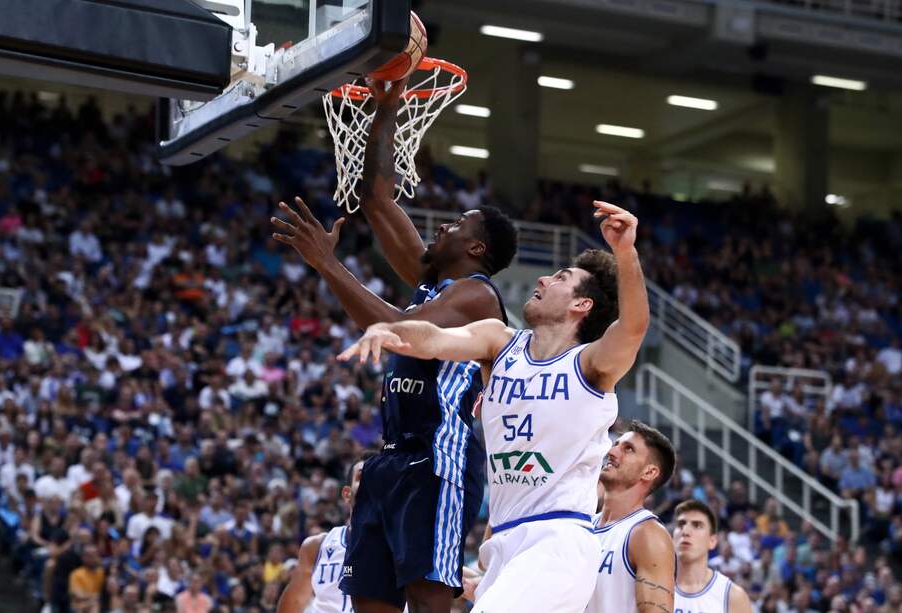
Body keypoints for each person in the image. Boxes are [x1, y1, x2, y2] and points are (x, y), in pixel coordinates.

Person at [271, 77, 518, 613]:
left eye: (457, 224)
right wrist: (388, 103)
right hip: (389, 458)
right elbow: (375, 198)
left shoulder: (476, 296)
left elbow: (398, 332)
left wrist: (328, 264)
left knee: (429, 601)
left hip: (437, 458)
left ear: (475, 247)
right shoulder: (432, 283)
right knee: (370, 603)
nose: (444, 227)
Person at [339, 200, 650, 612]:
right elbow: (433, 338)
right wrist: (391, 330)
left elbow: (633, 327)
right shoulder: (499, 341)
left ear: (581, 305)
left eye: (560, 278)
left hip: (556, 540)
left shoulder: (592, 364)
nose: (543, 278)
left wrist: (625, 253)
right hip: (503, 541)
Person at [585, 421, 677, 613]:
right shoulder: (583, 526)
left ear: (649, 472)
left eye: (628, 449)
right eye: (616, 444)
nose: (612, 452)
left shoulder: (647, 535)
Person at [277, 454, 373, 613]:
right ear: (347, 494)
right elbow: (294, 603)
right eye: (363, 476)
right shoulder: (316, 546)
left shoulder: (403, 546)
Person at [672, 500, 752, 613]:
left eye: (697, 525)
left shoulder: (733, 596)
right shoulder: (653, 590)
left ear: (712, 541)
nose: (685, 531)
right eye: (681, 524)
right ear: (672, 538)